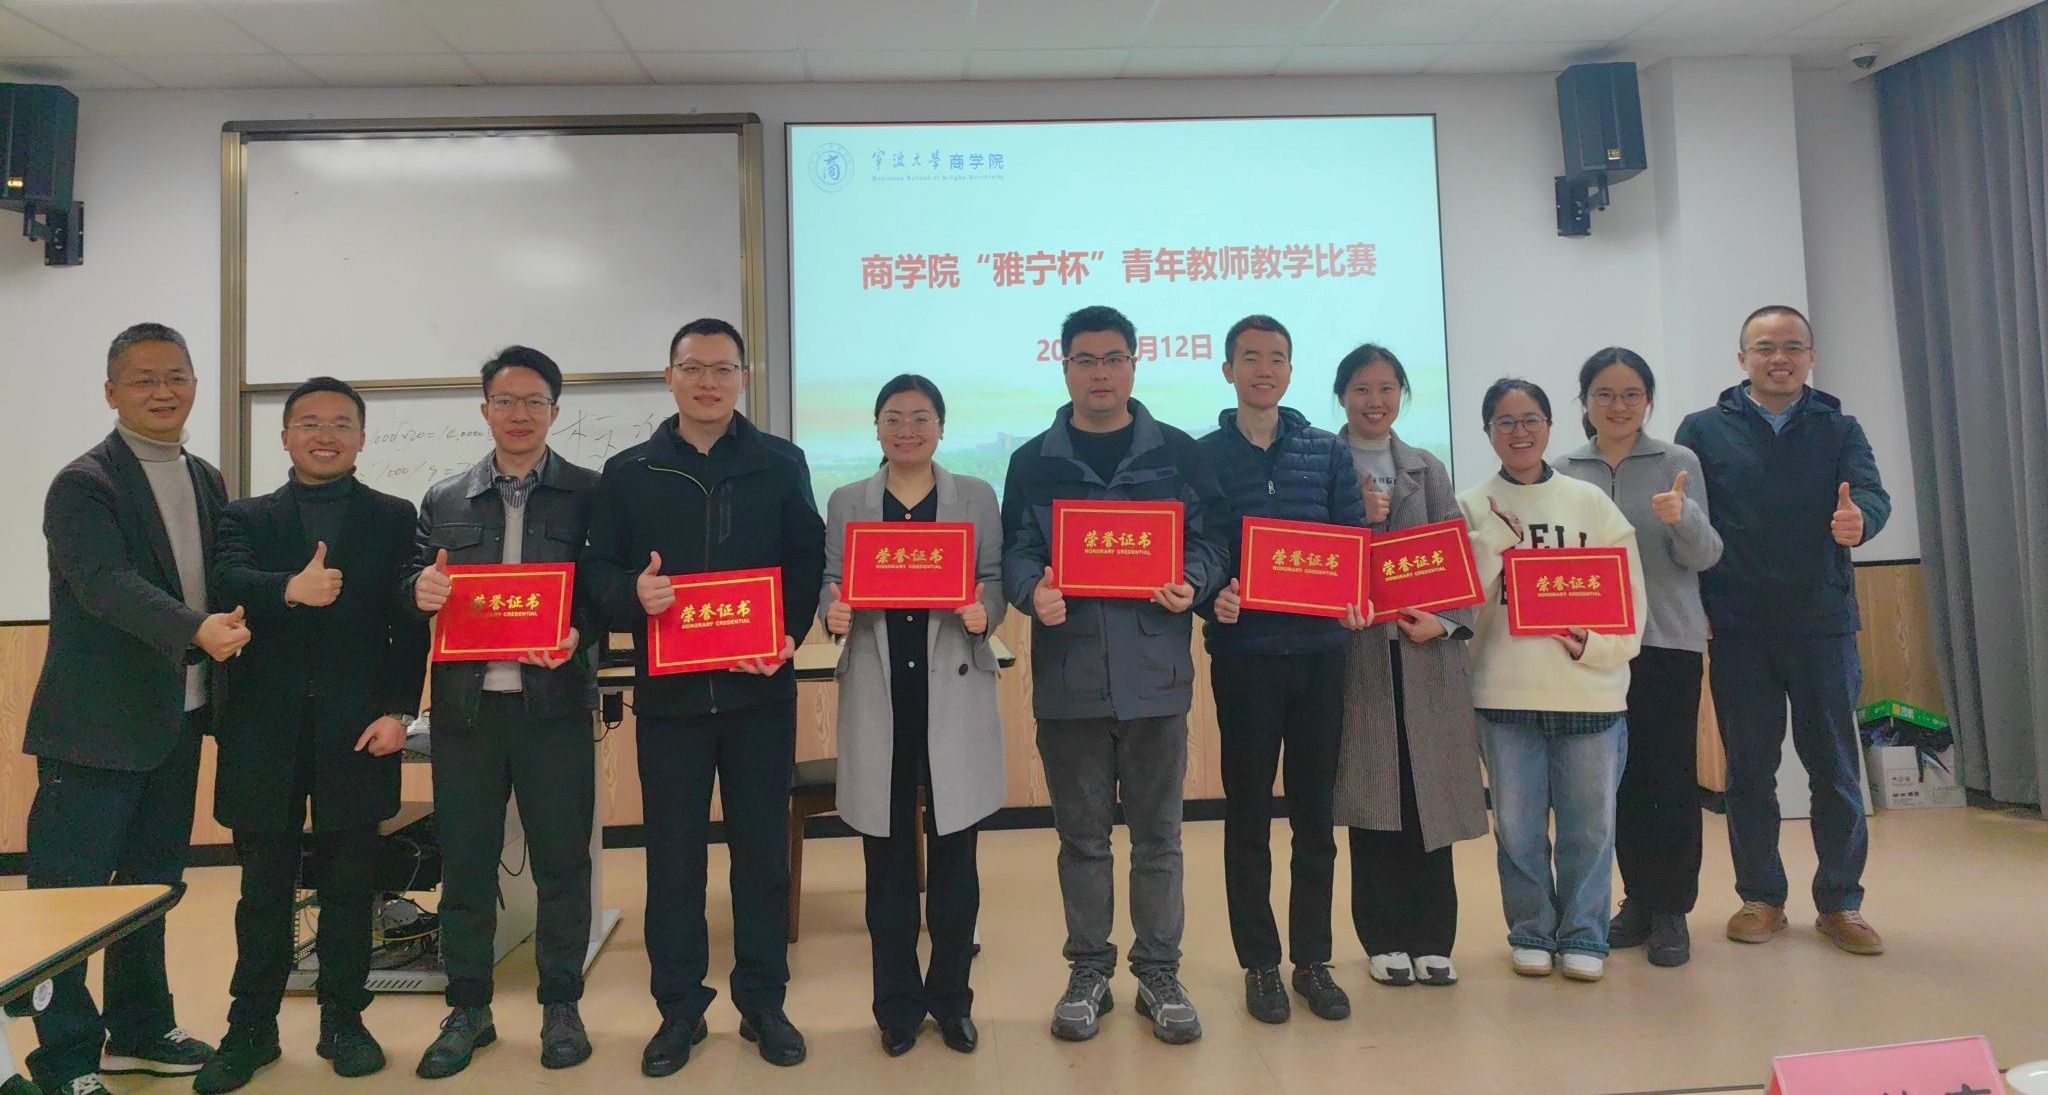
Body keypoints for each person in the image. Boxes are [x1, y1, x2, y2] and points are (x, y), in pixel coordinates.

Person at [580, 318, 826, 1076]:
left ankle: (763, 1003)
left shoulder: (780, 462)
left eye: (723, 368)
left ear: (743, 378)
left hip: (760, 697)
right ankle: (679, 1010)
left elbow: (806, 556)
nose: (708, 381)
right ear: (670, 377)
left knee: (761, 858)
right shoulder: (630, 471)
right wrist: (633, 592)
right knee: (674, 864)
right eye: (694, 368)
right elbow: (596, 573)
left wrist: (788, 632)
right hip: (672, 703)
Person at [1000, 304, 1228, 1045]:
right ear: (1064, 365)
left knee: (1159, 838)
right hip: (1070, 678)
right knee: (1083, 840)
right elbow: (1015, 550)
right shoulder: (1033, 461)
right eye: (1085, 360)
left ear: (1135, 362)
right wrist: (1031, 589)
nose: (1100, 373)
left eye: (1113, 358)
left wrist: (1193, 581)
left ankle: (1159, 972)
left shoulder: (1179, 454)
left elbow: (1211, 541)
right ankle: (1089, 971)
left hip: (1156, 675)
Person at [196, 377, 430, 1093]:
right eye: (309, 423)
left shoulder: (393, 516)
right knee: (263, 888)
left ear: (361, 437)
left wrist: (400, 710)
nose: (324, 435)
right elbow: (225, 578)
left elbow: (407, 620)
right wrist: (288, 589)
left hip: (359, 727)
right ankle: (251, 1027)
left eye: (339, 423)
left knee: (352, 883)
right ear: (285, 436)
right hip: (260, 729)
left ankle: (344, 1018)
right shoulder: (243, 515)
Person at [23, 323, 240, 1095]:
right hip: (94, 731)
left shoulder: (206, 477)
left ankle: (141, 1029)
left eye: (176, 376)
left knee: (153, 886)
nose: (162, 391)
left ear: (194, 385)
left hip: (177, 720)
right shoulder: (85, 484)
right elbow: (105, 585)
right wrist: (197, 628)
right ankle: (64, 1060)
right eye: (143, 378)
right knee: (71, 899)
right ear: (111, 390)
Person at [402, 347, 602, 1077]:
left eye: (535, 401)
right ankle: (468, 1009)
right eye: (506, 401)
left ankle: (561, 1005)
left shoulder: (591, 494)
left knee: (562, 864)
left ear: (556, 410)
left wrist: (581, 628)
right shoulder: (445, 498)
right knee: (465, 864)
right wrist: (416, 590)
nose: (520, 414)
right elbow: (412, 581)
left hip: (555, 707)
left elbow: (606, 590)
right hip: (467, 713)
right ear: (484, 408)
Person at [1675, 305, 1890, 956]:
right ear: (1741, 359)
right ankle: (1761, 896)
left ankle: (1841, 902)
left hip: (1823, 623)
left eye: (1793, 347)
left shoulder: (1839, 427)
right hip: (1739, 624)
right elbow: (1691, 521)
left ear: (1811, 357)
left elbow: (1872, 496)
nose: (1780, 358)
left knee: (1835, 769)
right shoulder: (1703, 430)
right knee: (1749, 771)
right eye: (1765, 347)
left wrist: (1862, 520)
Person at [819, 374, 1007, 1058]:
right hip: (882, 700)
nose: (907, 429)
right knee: (887, 866)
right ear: (876, 427)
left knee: (956, 867)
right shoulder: (847, 501)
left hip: (952, 699)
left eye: (921, 417)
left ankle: (952, 1002)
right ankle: (896, 1008)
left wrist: (987, 611)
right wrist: (833, 610)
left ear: (941, 427)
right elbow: (830, 582)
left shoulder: (975, 496)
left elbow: (993, 579)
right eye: (894, 417)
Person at [1194, 316, 1365, 1024]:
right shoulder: (1202, 456)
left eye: (1277, 358)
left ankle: (1313, 960)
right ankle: (1260, 963)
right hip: (1246, 659)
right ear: (1228, 369)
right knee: (1247, 817)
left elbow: (1353, 539)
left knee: (1315, 818)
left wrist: (1357, 595)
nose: (1264, 369)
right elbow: (1197, 548)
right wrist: (1211, 596)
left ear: (1291, 371)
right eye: (1250, 358)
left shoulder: (1327, 451)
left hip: (1322, 656)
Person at [1458, 378, 1646, 983]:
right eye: (1505, 422)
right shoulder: (1470, 506)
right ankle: (1532, 930)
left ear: (1549, 427)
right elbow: (1459, 603)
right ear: (1488, 432)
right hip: (1504, 693)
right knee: (1517, 830)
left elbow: (1630, 600)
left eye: (1531, 420)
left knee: (1590, 828)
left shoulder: (1590, 504)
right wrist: (1494, 542)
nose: (1520, 432)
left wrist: (1596, 646)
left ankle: (1586, 934)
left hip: (1589, 693)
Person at [1328, 344, 1489, 991]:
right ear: (1342, 395)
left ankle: (1433, 939)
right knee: (1374, 799)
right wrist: (1357, 518)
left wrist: (1445, 623)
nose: (1375, 401)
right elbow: (1312, 555)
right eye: (1362, 389)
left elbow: (1457, 557)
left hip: (1423, 656)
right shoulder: (1324, 463)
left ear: (1402, 393)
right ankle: (1383, 937)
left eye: (1387, 388)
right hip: (1357, 656)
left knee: (1429, 799)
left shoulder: (1427, 466)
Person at [1556, 348, 1721, 968]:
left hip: (1666, 642)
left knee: (1669, 778)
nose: (1618, 406)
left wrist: (1683, 518)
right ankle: (1638, 900)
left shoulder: (1678, 462)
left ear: (1648, 399)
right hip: (1594, 649)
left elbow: (1705, 556)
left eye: (1631, 394)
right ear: (1584, 401)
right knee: (1614, 782)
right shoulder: (1562, 470)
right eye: (1604, 394)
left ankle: (1672, 908)